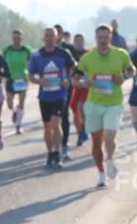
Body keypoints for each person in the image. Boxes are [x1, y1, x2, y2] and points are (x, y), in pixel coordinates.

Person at [73, 24, 134, 187]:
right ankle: (101, 173)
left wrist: (124, 76)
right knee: (96, 142)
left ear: (110, 37)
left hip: (114, 103)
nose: (102, 40)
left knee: (109, 136)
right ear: (96, 38)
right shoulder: (87, 58)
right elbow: (74, 80)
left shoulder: (121, 54)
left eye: (106, 37)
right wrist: (86, 82)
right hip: (94, 105)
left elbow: (132, 69)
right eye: (100, 37)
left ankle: (110, 159)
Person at [28, 27, 74, 169]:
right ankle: (50, 154)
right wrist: (39, 82)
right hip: (44, 96)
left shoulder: (63, 53)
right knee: (47, 127)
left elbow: (73, 66)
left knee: (56, 124)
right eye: (47, 35)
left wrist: (68, 79)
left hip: (59, 94)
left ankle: (57, 153)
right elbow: (30, 76)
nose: (49, 38)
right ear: (43, 38)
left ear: (57, 38)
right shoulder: (37, 55)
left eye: (51, 36)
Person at [2, 30, 33, 134]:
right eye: (15, 38)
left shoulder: (27, 50)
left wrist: (29, 74)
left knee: (21, 103)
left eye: (18, 38)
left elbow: (31, 64)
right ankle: (14, 111)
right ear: (12, 38)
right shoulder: (6, 50)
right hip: (11, 79)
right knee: (10, 104)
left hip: (22, 79)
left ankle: (18, 125)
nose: (17, 40)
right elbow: (2, 63)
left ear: (21, 38)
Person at [56, 25, 78, 162]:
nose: (55, 36)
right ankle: (54, 147)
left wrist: (68, 78)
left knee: (63, 114)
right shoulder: (46, 51)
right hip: (50, 88)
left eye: (58, 33)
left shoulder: (68, 49)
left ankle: (64, 145)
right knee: (53, 118)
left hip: (65, 87)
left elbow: (76, 65)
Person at [70, 33, 90, 147]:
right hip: (75, 85)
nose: (78, 43)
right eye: (76, 41)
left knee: (81, 106)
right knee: (74, 109)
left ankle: (84, 128)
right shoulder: (71, 53)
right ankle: (80, 133)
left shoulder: (88, 53)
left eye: (80, 40)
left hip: (86, 84)